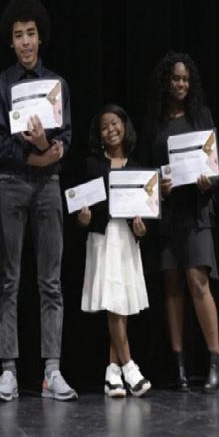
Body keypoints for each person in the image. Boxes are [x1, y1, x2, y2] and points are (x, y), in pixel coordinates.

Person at [0, 0, 76, 402]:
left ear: (41, 38)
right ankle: (8, 370)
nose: (25, 42)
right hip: (11, 184)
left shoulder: (56, 84)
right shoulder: (0, 85)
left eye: (31, 34)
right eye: (19, 35)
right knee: (9, 279)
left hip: (48, 187)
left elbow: (66, 137)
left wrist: (47, 148)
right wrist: (36, 154)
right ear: (11, 41)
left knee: (50, 281)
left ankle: (51, 370)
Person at [146, 52, 219, 393]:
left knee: (198, 280)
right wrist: (159, 185)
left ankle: (215, 360)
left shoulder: (201, 115)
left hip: (196, 209)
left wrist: (208, 181)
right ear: (166, 81)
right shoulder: (155, 120)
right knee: (172, 285)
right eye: (176, 79)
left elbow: (214, 166)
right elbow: (148, 167)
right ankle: (178, 365)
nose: (181, 84)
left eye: (186, 79)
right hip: (168, 212)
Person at [77, 104, 151, 398]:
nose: (111, 130)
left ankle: (112, 372)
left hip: (127, 239)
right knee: (113, 302)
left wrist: (141, 229)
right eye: (104, 126)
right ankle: (129, 366)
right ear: (99, 134)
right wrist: (83, 219)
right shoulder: (92, 165)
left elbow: (143, 217)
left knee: (121, 301)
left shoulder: (137, 169)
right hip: (103, 237)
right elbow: (84, 210)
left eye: (115, 123)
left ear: (125, 126)